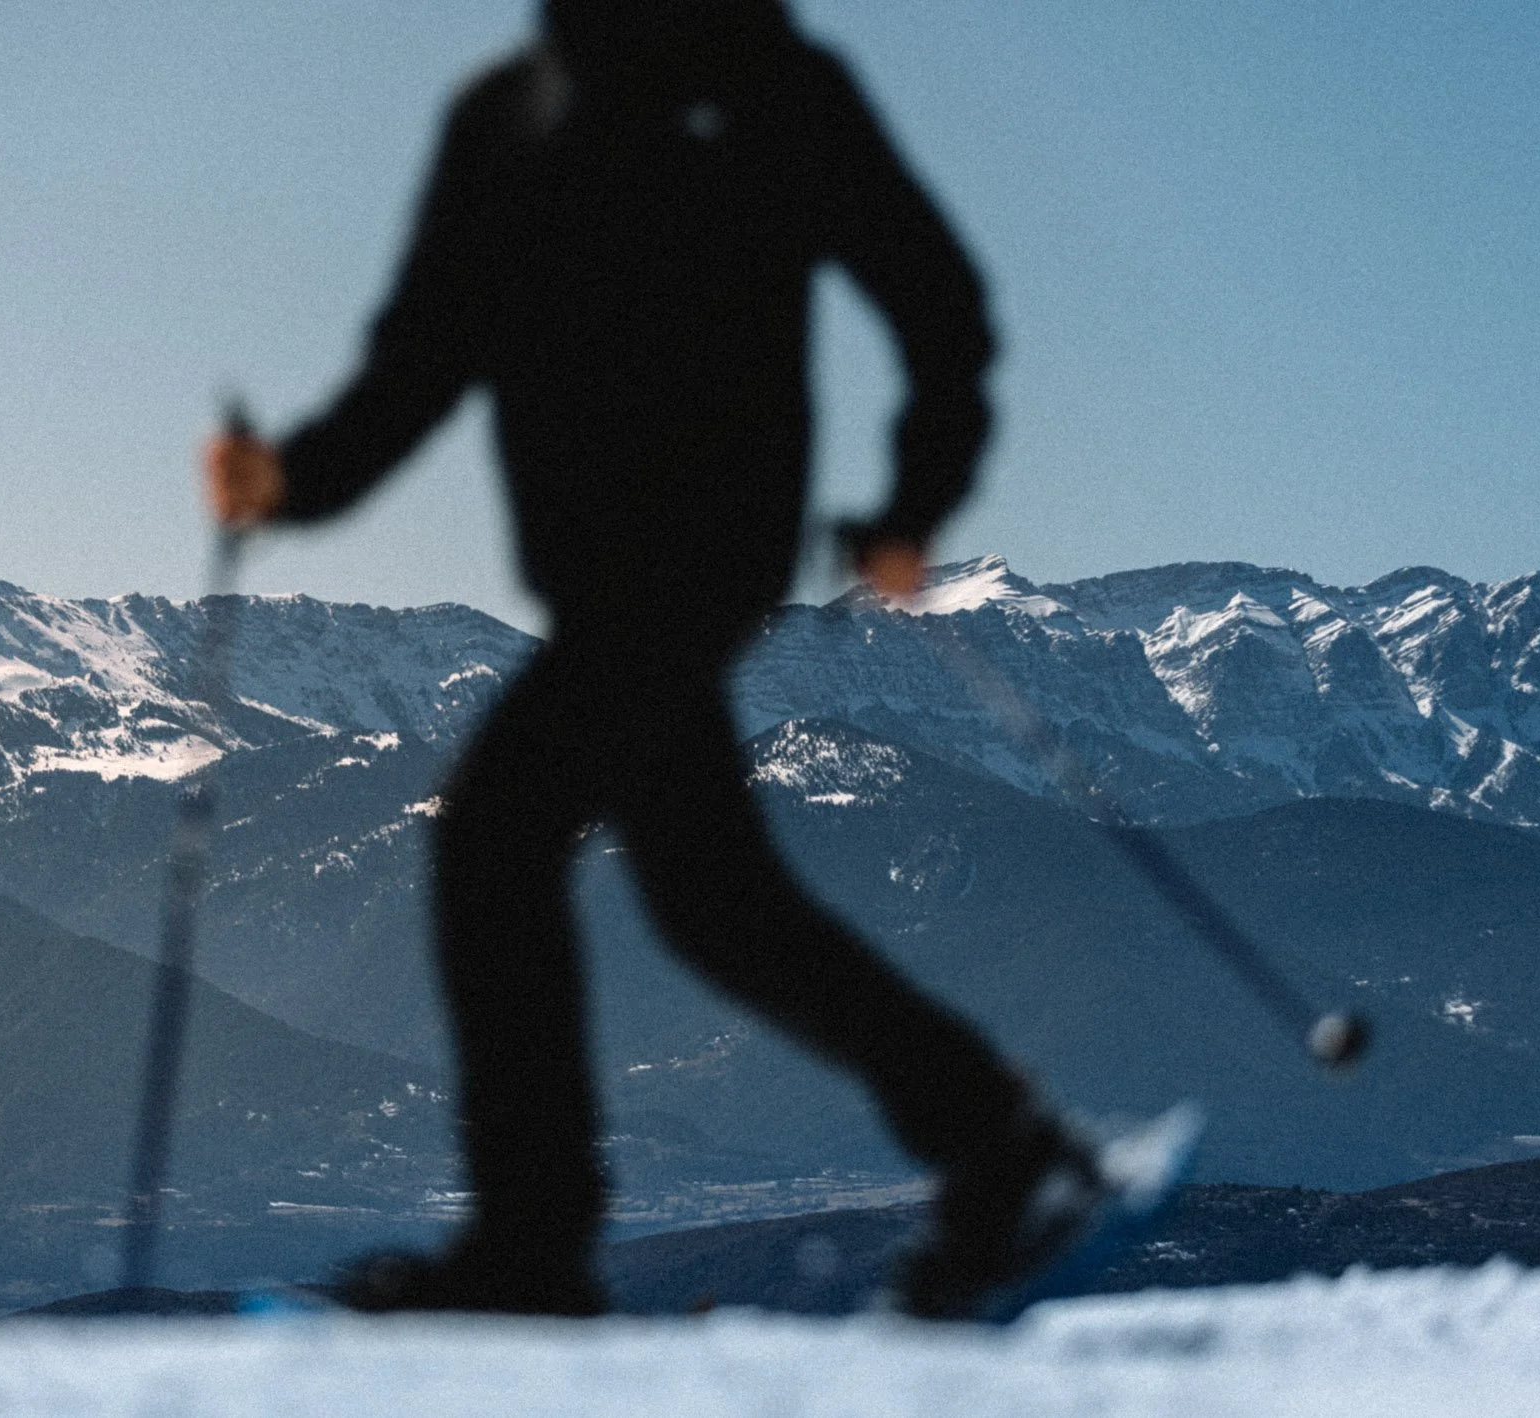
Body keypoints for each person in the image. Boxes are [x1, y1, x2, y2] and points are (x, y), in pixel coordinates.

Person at [206, 0, 1098, 1319]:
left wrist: (916, 498)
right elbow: (425, 354)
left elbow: (933, 300)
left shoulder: (745, 89)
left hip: (695, 565)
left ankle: (532, 1250)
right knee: (712, 900)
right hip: (612, 581)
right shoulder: (527, 114)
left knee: (497, 840)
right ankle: (994, 1140)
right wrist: (289, 483)